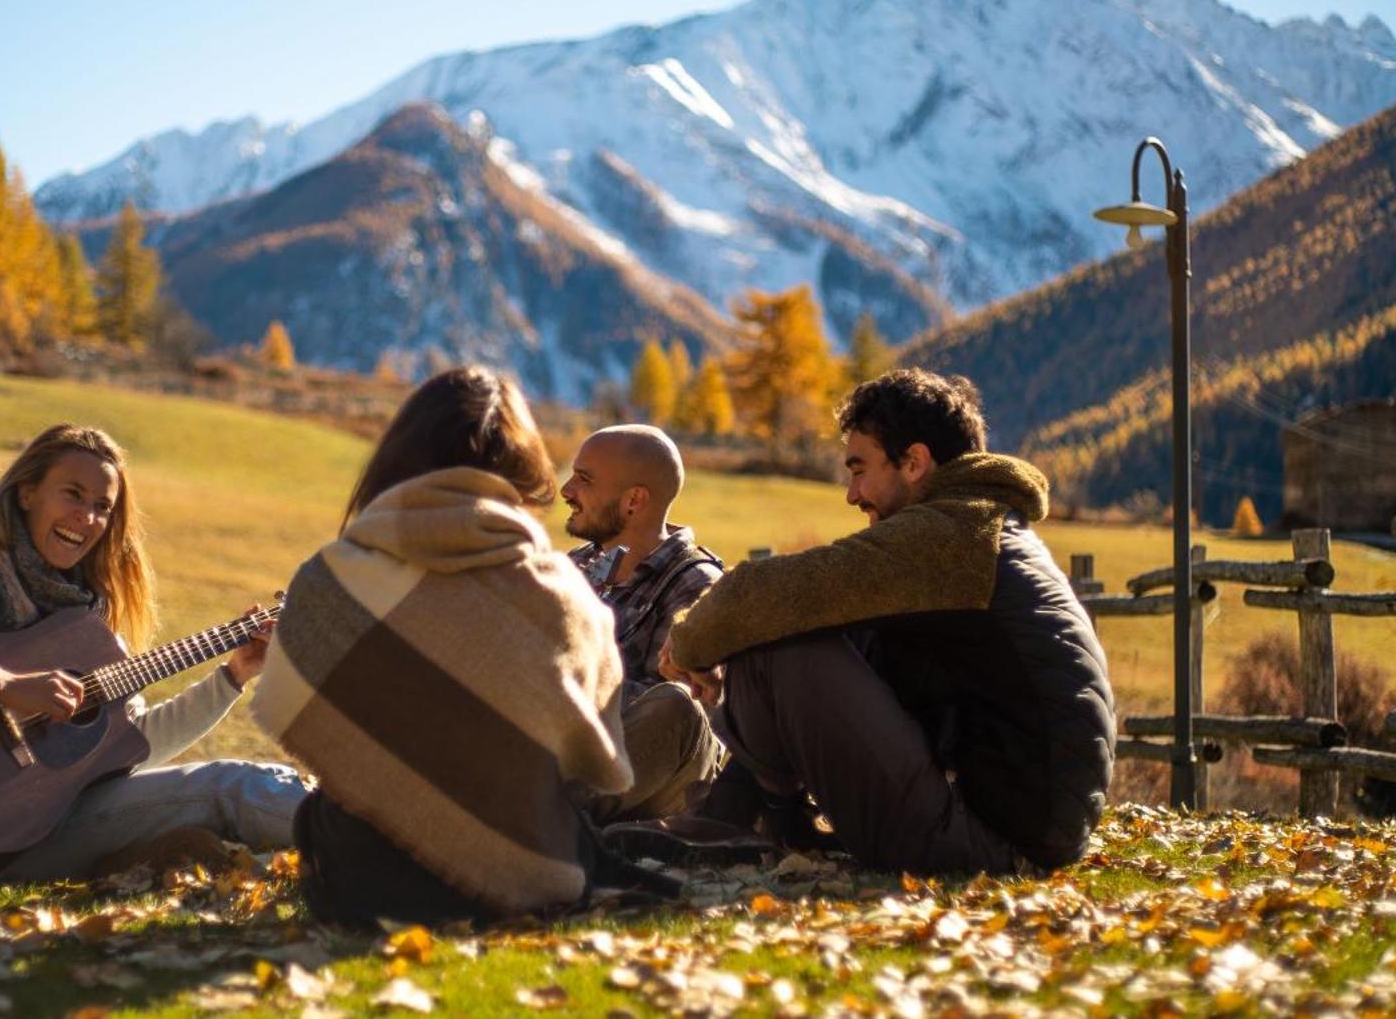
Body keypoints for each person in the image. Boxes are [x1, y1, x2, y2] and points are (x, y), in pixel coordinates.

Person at [651, 369, 1114, 876]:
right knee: (818, 623)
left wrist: (686, 645)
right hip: (1017, 832)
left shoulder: (953, 535)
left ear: (913, 462)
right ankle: (748, 819)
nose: (852, 494)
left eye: (859, 469)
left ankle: (742, 821)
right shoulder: (982, 531)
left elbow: (759, 595)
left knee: (780, 632)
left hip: (988, 843)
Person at [252, 367, 644, 926]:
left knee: (318, 812)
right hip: (530, 876)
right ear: (521, 471)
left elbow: (319, 733)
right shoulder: (562, 593)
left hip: (361, 880)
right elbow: (591, 762)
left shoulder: (331, 579)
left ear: (397, 459)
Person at [0, 424, 306, 880]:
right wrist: (6, 686)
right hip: (1, 839)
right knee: (236, 787)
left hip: (58, 817)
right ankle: (360, 838)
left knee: (248, 782)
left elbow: (137, 744)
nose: (86, 518)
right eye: (73, 494)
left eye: (102, 507)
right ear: (28, 493)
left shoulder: (91, 621)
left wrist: (233, 676)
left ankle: (346, 832)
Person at [562, 425, 725, 820]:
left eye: (583, 479)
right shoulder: (571, 568)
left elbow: (684, 716)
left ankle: (536, 815)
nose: (566, 490)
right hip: (565, 746)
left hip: (653, 770)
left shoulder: (699, 586)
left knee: (677, 706)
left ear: (634, 501)